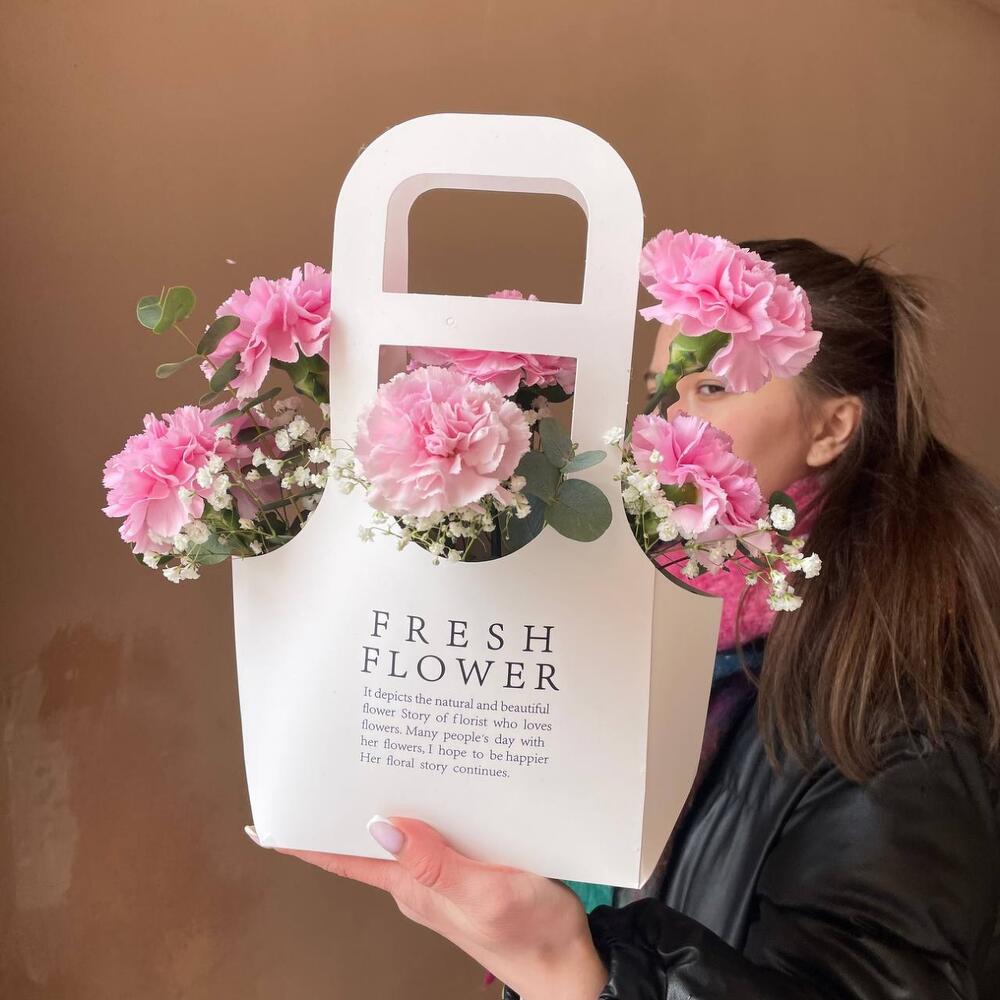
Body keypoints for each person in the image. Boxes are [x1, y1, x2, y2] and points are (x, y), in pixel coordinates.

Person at [245, 239, 1000, 999]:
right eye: (659, 390)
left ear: (832, 428)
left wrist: (574, 971)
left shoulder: (897, 709)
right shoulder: (653, 626)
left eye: (712, 387)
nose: (669, 420)